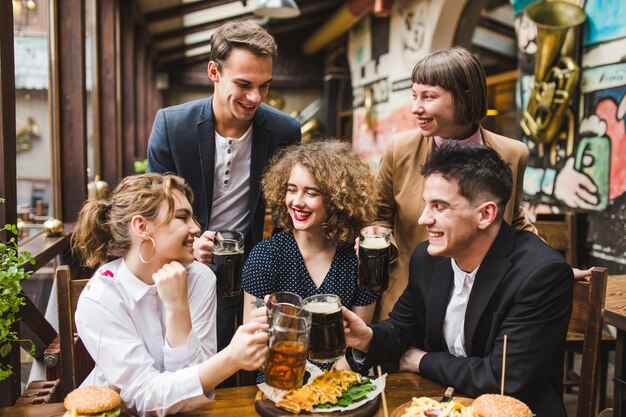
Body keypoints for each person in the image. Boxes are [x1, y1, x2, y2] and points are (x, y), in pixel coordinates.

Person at [343, 144, 573, 417]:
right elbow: (403, 330)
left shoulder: (541, 274)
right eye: (426, 204)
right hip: (443, 406)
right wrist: (366, 337)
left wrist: (423, 360)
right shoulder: (428, 258)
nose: (423, 219)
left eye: (440, 207)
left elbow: (505, 380)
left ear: (485, 214)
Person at [147, 20, 301, 353]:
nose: (255, 97)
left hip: (254, 270)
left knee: (252, 363)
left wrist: (270, 261)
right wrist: (190, 243)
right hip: (184, 269)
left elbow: (286, 208)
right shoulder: (172, 125)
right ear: (214, 72)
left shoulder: (284, 130)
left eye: (264, 86)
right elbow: (155, 210)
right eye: (244, 84)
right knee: (193, 360)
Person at [71, 174, 269, 416]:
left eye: (192, 217)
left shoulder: (200, 279)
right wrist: (231, 358)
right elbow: (143, 398)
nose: (196, 227)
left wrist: (177, 308)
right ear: (142, 227)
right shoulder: (100, 298)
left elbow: (191, 390)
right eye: (182, 217)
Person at [373, 46, 538, 321]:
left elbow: (515, 219)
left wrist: (549, 264)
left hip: (483, 303)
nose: (416, 108)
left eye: (428, 97)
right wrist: (376, 239)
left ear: (464, 97)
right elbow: (377, 216)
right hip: (408, 304)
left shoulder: (513, 154)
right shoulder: (399, 149)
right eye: (414, 96)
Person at [242, 140, 380, 371]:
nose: (297, 202)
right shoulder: (265, 257)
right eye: (291, 189)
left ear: (337, 199)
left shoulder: (358, 258)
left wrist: (326, 387)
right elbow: (253, 347)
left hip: (344, 382)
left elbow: (357, 346)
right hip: (280, 378)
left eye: (311, 192)